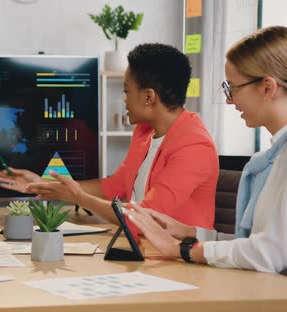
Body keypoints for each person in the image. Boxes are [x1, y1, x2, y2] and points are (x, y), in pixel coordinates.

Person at [0, 43, 218, 230]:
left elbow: (145, 218)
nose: (123, 100)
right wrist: (41, 183)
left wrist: (78, 198)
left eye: (126, 91)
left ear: (149, 97)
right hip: (146, 252)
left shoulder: (194, 146)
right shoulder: (144, 132)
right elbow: (114, 187)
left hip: (181, 264)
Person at [123, 26, 287, 274]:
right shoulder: (273, 157)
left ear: (267, 88)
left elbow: (267, 255)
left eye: (233, 88)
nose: (230, 100)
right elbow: (258, 246)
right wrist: (192, 233)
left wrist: (183, 250)